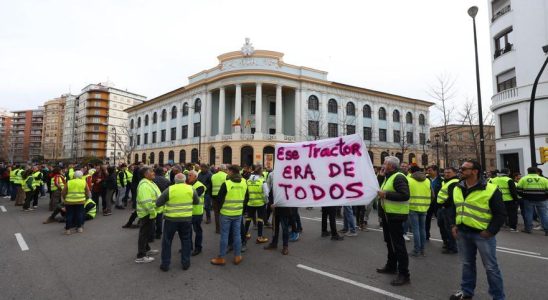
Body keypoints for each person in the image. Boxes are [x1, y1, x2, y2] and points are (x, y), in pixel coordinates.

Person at [449, 160, 506, 300]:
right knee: (467, 264)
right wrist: (453, 225)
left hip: (482, 235)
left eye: (463, 169)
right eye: (460, 168)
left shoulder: (491, 189)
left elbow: (500, 213)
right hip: (463, 232)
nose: (460, 171)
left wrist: (490, 231)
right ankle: (466, 292)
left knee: (491, 268)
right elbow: (453, 208)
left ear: (475, 171)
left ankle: (498, 297)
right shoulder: (457, 187)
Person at [376, 156, 410, 286]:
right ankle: (391, 266)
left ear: (391, 166)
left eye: (385, 163)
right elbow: (380, 189)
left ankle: (404, 274)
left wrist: (386, 195)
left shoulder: (399, 177)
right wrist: (381, 176)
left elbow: (405, 195)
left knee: (398, 245)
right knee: (389, 242)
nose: (383, 164)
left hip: (396, 215)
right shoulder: (388, 176)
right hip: (387, 214)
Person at [155, 173, 199, 271]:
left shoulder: (169, 190)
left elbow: (158, 203)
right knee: (186, 240)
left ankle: (165, 264)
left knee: (167, 241)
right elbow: (197, 202)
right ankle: (186, 263)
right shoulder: (191, 189)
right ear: (184, 180)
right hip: (186, 219)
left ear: (175, 180)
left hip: (171, 219)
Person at [211, 165, 248, 266]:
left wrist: (220, 209)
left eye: (228, 170)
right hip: (238, 213)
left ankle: (222, 258)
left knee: (224, 235)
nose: (227, 172)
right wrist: (242, 209)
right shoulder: (244, 183)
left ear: (231, 172)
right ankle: (237, 256)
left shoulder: (226, 184)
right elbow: (246, 198)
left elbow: (219, 199)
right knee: (237, 235)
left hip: (226, 213)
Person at [135, 167, 160, 264]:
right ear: (146, 174)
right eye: (151, 171)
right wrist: (153, 213)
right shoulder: (144, 185)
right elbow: (147, 203)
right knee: (144, 234)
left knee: (146, 233)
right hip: (147, 214)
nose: (154, 173)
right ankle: (141, 256)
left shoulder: (149, 183)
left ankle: (146, 249)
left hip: (149, 213)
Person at [264, 172, 291, 255]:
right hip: (275, 210)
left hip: (285, 210)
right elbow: (270, 195)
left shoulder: (288, 185)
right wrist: (271, 204)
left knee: (284, 228)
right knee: (275, 228)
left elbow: (289, 197)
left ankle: (285, 246)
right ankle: (274, 243)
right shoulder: (275, 185)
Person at [407, 166, 431, 257]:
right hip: (424, 207)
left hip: (413, 207)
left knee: (415, 230)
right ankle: (422, 249)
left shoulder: (409, 180)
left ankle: (416, 250)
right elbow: (432, 194)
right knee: (422, 229)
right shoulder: (427, 180)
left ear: (411, 172)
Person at [517, 167, 548, 235]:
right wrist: (545, 197)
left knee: (528, 214)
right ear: (537, 172)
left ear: (528, 172)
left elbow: (518, 190)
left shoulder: (523, 179)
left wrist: (524, 196)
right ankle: (547, 230)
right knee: (544, 215)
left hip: (528, 199)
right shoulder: (544, 179)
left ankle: (528, 229)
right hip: (542, 199)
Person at [244, 166, 269, 244]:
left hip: (250, 202)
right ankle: (260, 237)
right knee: (260, 219)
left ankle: (245, 234)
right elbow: (266, 193)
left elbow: (246, 191)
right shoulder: (262, 180)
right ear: (260, 172)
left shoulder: (248, 181)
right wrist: (266, 201)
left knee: (248, 218)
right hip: (260, 203)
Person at [437, 167, 460, 254]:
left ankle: (452, 247)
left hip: (448, 209)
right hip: (443, 208)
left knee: (449, 228)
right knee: (443, 226)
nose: (446, 174)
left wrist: (444, 205)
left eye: (449, 172)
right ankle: (447, 244)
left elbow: (452, 197)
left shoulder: (454, 182)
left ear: (454, 173)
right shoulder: (446, 181)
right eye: (445, 172)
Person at [187, 170, 206, 256]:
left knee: (197, 231)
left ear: (195, 177)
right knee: (188, 230)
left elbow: (192, 196)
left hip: (197, 212)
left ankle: (198, 248)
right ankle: (189, 246)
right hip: (188, 212)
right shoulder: (188, 185)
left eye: (190, 175)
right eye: (188, 175)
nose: (188, 177)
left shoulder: (200, 186)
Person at [152, 167, 171, 239]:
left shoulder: (152, 180)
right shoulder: (166, 180)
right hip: (162, 200)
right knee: (159, 218)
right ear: (162, 172)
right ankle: (158, 233)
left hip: (153, 200)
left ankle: (152, 232)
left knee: (152, 217)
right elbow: (169, 191)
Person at [425, 165, 442, 240]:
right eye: (428, 170)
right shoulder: (425, 180)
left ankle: (445, 239)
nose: (428, 172)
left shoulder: (441, 180)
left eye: (430, 170)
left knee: (441, 222)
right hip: (428, 203)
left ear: (435, 171)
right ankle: (426, 235)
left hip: (437, 204)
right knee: (426, 221)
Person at [211, 164, 228, 233]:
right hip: (223, 197)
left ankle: (218, 229)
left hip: (214, 196)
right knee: (223, 213)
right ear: (224, 169)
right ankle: (224, 228)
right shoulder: (226, 176)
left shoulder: (213, 176)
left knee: (216, 213)